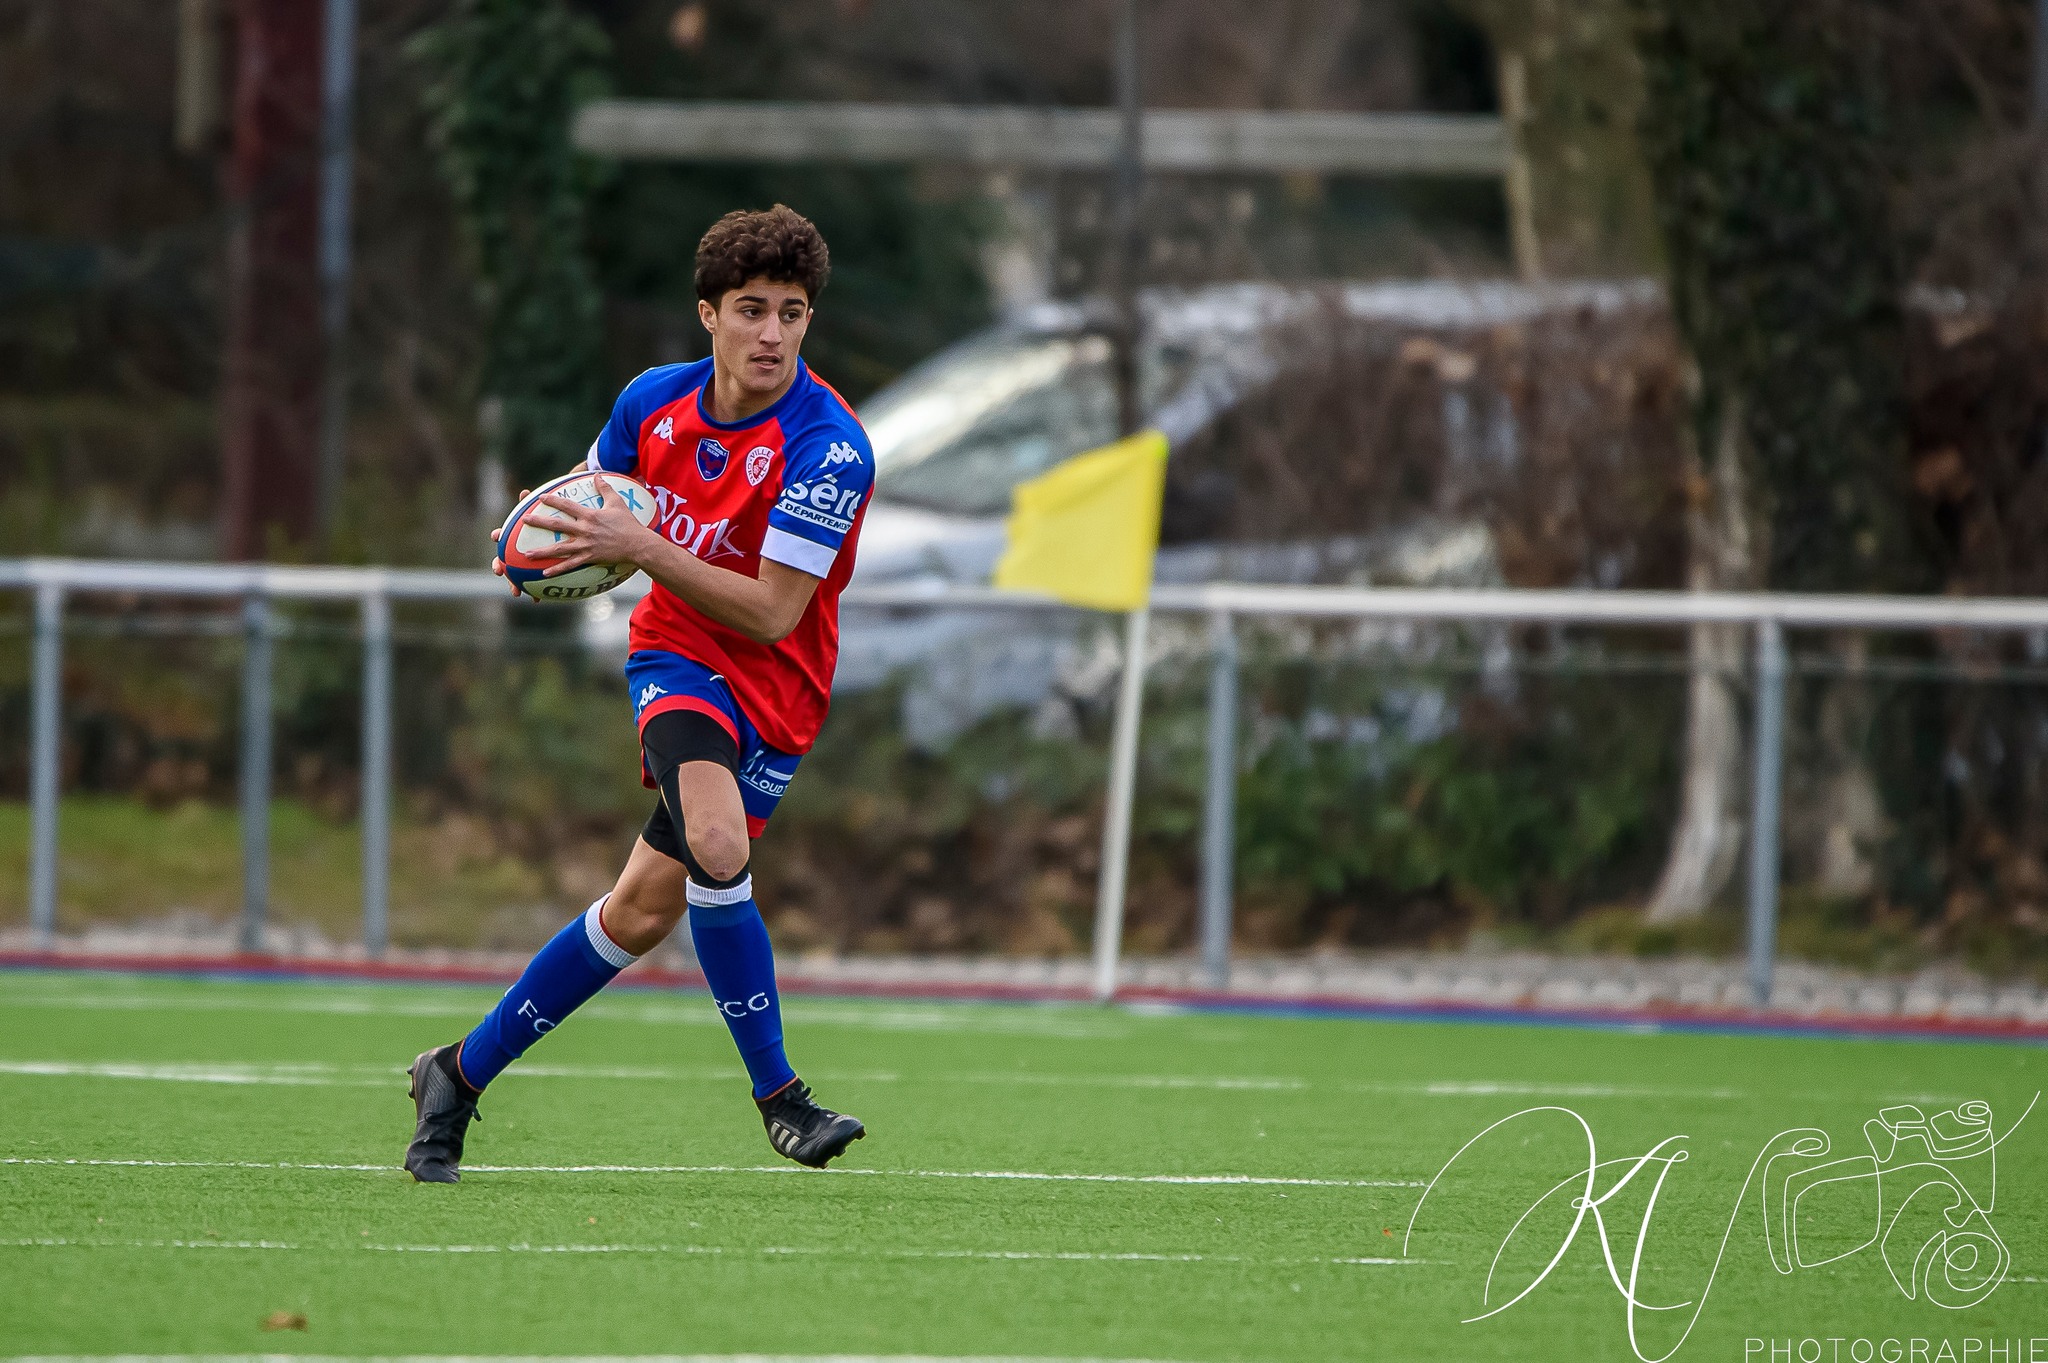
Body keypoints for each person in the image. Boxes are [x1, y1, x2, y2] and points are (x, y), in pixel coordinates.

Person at [404, 204, 873, 1182]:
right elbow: (593, 512)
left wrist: (642, 546)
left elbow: (773, 615)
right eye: (751, 310)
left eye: (792, 313)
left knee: (638, 912)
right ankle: (780, 1097)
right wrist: (548, 549)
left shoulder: (829, 448)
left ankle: (455, 1072)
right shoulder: (649, 406)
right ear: (708, 314)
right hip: (676, 660)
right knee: (715, 842)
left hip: (776, 685)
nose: (773, 335)